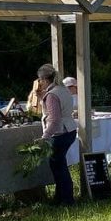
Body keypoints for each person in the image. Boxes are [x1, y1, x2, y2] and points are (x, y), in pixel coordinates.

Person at [36, 64, 78, 206]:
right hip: (70, 130)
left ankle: (66, 199)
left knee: (58, 167)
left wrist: (44, 137)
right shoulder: (62, 90)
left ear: (45, 80)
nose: (39, 82)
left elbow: (54, 120)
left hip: (60, 133)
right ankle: (60, 198)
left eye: (39, 80)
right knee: (60, 164)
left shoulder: (52, 95)